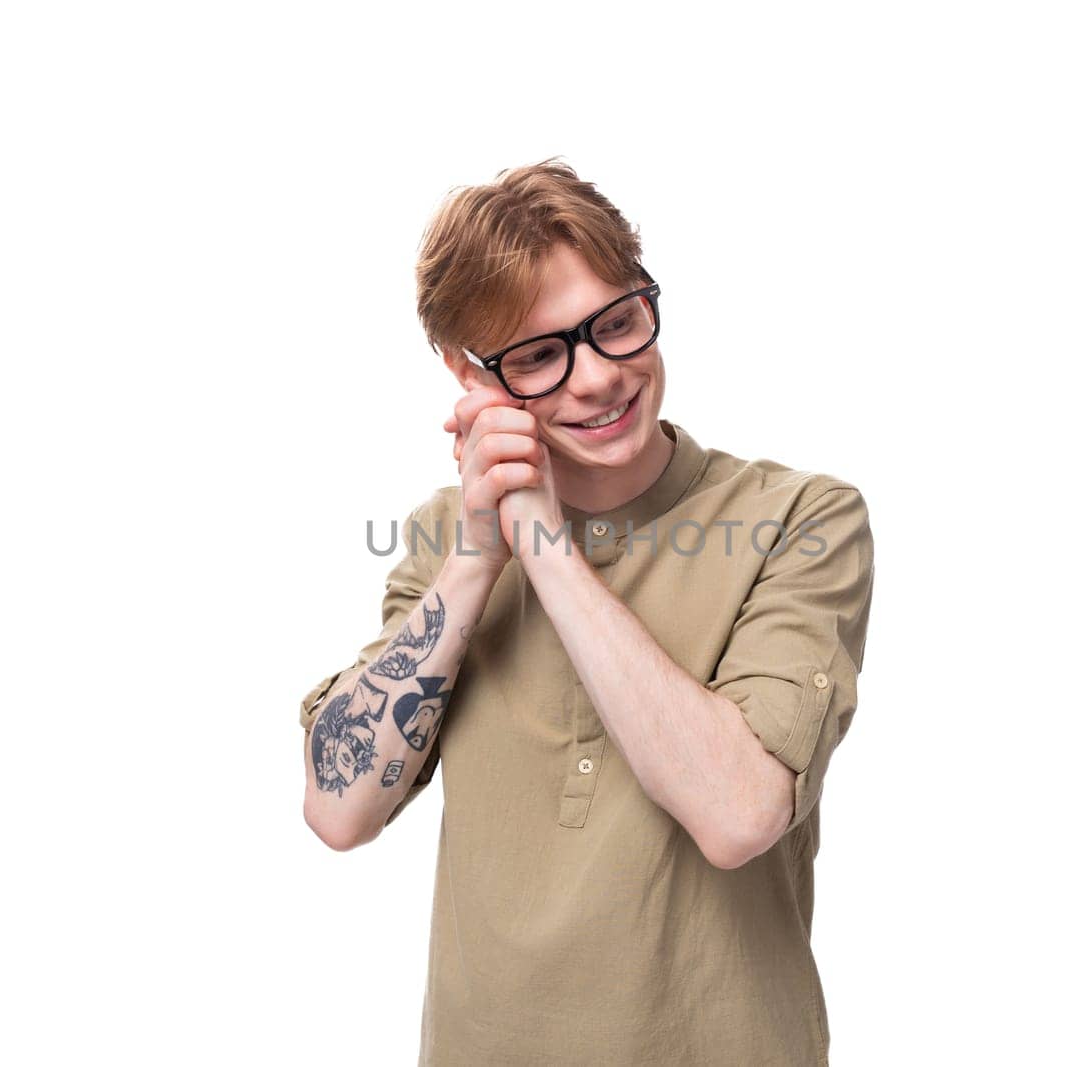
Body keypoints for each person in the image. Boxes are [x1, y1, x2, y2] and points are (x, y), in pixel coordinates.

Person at [299, 158, 875, 1066]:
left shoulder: (802, 519)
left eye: (616, 322)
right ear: (468, 377)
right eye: (536, 356)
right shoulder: (446, 541)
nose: (600, 377)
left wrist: (544, 545)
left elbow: (738, 815)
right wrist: (479, 556)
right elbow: (338, 810)